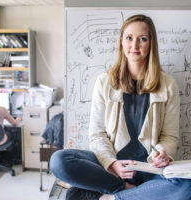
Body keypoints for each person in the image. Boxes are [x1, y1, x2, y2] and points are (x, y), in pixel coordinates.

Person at [50, 14, 191, 200]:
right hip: (111, 165)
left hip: (149, 168)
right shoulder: (104, 81)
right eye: (129, 38)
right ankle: (126, 190)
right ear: (121, 42)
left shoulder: (168, 84)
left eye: (143, 39)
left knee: (187, 187)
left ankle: (112, 197)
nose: (135, 45)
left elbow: (170, 136)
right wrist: (112, 164)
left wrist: (164, 154)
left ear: (151, 44)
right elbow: (97, 134)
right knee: (59, 161)